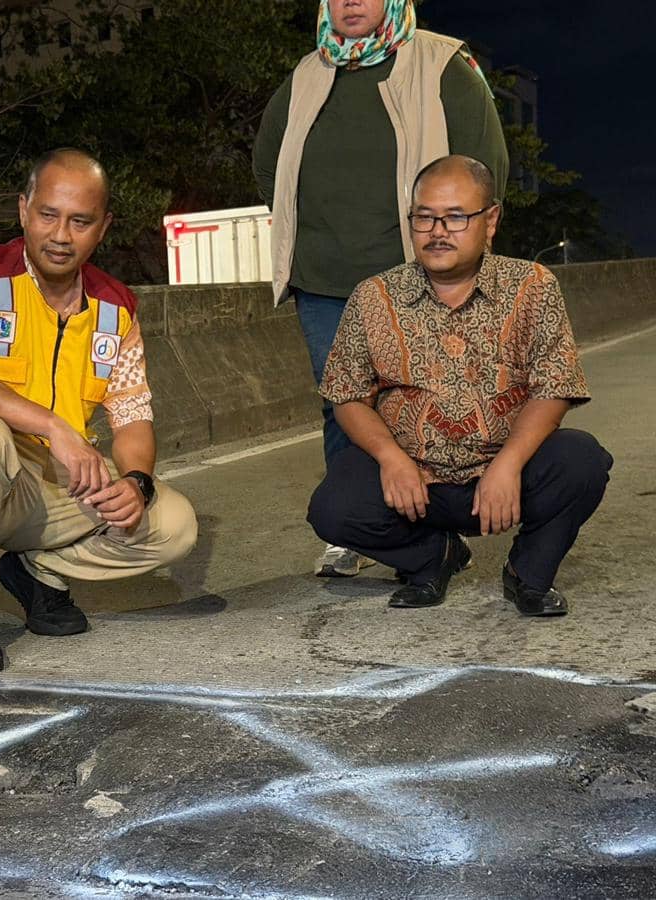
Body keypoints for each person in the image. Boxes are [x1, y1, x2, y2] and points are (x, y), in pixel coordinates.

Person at [0, 149, 198, 674]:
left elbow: (133, 417)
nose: (61, 235)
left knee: (173, 524)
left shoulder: (116, 308)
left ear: (103, 227)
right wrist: (54, 427)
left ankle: (39, 569)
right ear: (24, 210)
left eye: (80, 222)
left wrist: (136, 484)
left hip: (49, 487)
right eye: (48, 215)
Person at [253, 0, 509, 579]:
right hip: (324, 281)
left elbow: (487, 170)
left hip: (417, 275)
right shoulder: (308, 74)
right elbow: (270, 166)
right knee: (342, 402)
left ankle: (432, 521)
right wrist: (314, 228)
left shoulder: (443, 65)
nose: (351, 2)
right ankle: (362, 528)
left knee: (428, 395)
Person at [307, 155, 611, 616]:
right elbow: (346, 395)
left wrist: (508, 464)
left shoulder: (531, 286)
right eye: (424, 217)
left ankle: (528, 573)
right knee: (334, 507)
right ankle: (433, 558)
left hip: (504, 475)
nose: (437, 231)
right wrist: (390, 459)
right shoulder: (374, 296)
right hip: (414, 482)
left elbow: (555, 386)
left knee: (581, 461)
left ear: (491, 220)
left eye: (455, 217)